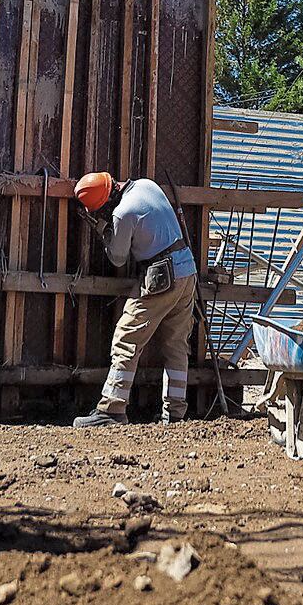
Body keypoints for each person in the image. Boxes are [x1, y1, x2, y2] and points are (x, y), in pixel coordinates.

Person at [72, 171, 197, 427]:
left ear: (107, 202)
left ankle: (112, 409)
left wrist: (104, 230)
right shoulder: (145, 185)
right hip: (187, 271)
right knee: (176, 344)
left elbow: (118, 258)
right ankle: (175, 413)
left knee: (127, 337)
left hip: (164, 276)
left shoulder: (122, 213)